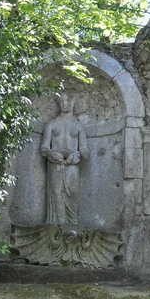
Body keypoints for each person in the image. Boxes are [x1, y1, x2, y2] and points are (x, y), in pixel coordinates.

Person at [40, 93, 89, 224]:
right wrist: (51, 154)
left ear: (73, 102)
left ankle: (73, 223)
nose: (64, 103)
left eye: (67, 100)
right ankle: (57, 224)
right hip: (55, 164)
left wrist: (79, 154)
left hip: (72, 164)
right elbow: (44, 147)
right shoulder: (51, 124)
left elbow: (84, 149)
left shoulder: (79, 126)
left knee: (72, 193)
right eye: (61, 100)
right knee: (57, 192)